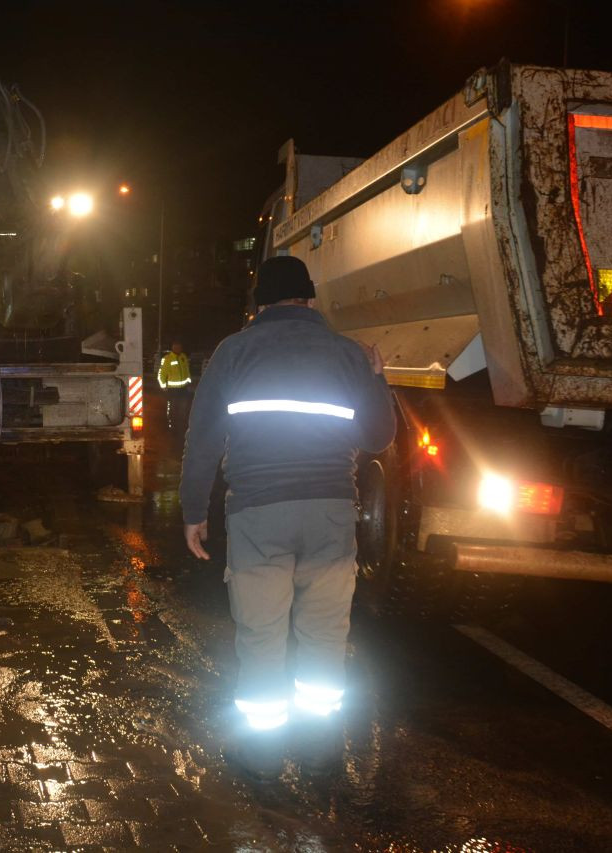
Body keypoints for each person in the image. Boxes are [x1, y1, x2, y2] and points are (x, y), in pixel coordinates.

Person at [179, 255, 395, 779]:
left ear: (258, 305)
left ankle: (262, 761)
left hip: (259, 515)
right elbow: (377, 438)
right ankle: (322, 753)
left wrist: (193, 512)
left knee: (261, 635)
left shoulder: (234, 352)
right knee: (324, 635)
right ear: (310, 299)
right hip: (330, 515)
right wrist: (376, 380)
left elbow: (203, 440)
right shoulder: (349, 355)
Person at [157, 340, 193, 433]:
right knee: (173, 409)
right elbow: (161, 374)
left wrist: (189, 382)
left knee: (183, 408)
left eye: (179, 346)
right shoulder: (167, 359)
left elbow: (187, 371)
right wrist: (163, 386)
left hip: (183, 389)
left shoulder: (183, 357)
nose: (177, 348)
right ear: (172, 347)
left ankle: (182, 426)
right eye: (175, 346)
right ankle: (172, 426)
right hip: (173, 390)